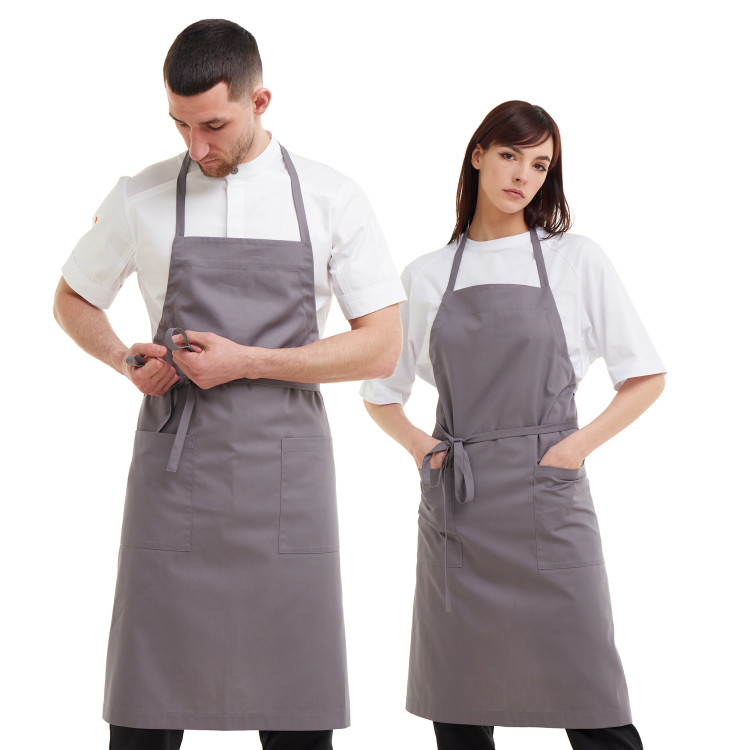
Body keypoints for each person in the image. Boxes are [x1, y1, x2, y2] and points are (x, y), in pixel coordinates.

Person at [53, 19, 404, 750]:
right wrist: (123, 359)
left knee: (295, 708)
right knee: (147, 709)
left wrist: (248, 361)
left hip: (286, 479)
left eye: (213, 125)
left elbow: (382, 347)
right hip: (175, 477)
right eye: (180, 125)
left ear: (259, 101)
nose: (196, 146)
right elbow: (72, 299)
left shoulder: (332, 197)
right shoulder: (143, 194)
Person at [361, 101, 666, 749]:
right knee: (460, 700)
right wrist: (424, 451)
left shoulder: (575, 260)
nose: (523, 175)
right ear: (478, 156)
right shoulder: (425, 275)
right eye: (509, 155)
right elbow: (381, 393)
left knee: (591, 696)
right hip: (460, 507)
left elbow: (645, 377)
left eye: (540, 164)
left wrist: (572, 450)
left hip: (547, 500)